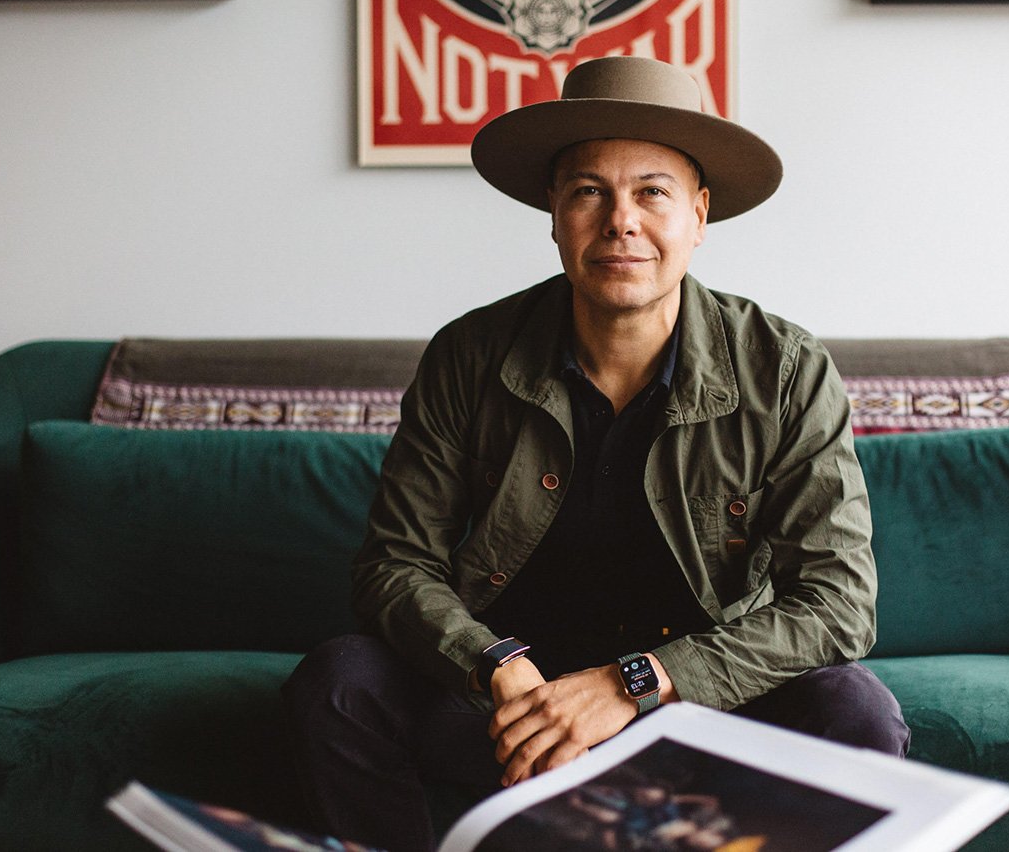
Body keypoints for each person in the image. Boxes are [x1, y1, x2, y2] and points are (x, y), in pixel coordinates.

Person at [282, 56, 909, 852]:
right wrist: (499, 667)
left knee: (857, 712)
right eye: (588, 191)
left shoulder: (784, 369)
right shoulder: (469, 355)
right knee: (340, 683)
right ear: (553, 210)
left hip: (703, 709)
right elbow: (394, 565)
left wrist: (633, 685)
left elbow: (838, 603)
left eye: (652, 191)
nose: (621, 220)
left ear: (698, 214)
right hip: (511, 712)